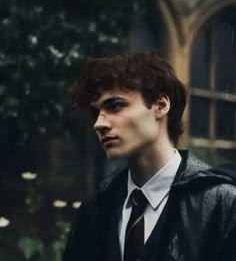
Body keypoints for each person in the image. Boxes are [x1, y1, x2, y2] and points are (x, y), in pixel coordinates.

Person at [63, 51, 236, 261]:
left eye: (115, 106)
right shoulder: (95, 212)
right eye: (96, 112)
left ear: (161, 106)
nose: (99, 124)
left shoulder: (222, 204)